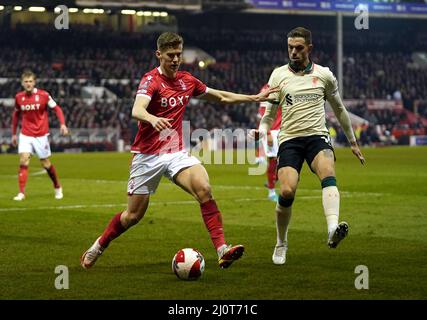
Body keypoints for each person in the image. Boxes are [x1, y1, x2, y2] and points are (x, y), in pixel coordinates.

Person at [81, 32, 278, 270]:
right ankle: (99, 245)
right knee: (132, 216)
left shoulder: (187, 80)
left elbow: (221, 97)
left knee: (204, 189)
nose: (175, 59)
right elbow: (137, 109)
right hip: (148, 156)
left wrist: (254, 98)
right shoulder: (150, 80)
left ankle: (222, 249)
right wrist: (152, 119)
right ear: (159, 55)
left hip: (176, 153)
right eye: (170, 55)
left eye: (178, 55)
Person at [251, 27, 365, 265]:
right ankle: (281, 242)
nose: (293, 52)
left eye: (299, 48)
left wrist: (352, 142)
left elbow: (340, 109)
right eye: (290, 47)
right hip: (290, 139)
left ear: (309, 48)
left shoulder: (324, 75)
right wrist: (261, 132)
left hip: (317, 137)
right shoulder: (278, 76)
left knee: (328, 172)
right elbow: (269, 116)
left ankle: (333, 228)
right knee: (287, 191)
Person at [11, 70, 69, 201]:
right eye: (26, 82)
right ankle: (21, 192)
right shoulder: (19, 97)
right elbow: (16, 115)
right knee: (24, 159)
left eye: (30, 81)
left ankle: (57, 186)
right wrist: (14, 134)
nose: (28, 84)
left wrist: (63, 124)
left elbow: (57, 109)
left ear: (34, 82)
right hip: (25, 133)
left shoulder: (44, 95)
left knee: (45, 163)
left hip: (41, 135)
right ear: (22, 83)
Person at [257, 84, 282, 202]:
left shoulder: (283, 85)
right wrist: (267, 133)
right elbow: (263, 113)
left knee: (284, 160)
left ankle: (273, 180)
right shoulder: (267, 89)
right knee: (273, 161)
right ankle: (271, 192)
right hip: (272, 132)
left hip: (282, 130)